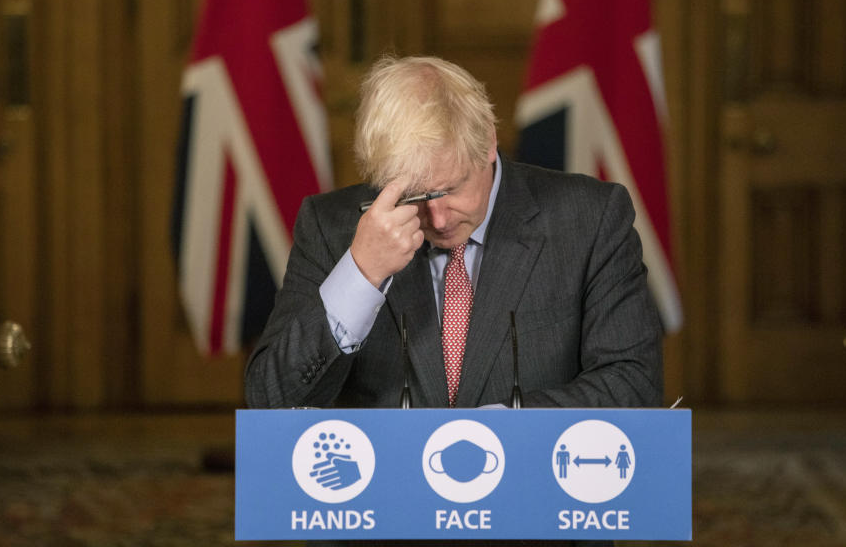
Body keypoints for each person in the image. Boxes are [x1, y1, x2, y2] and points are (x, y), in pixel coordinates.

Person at [245, 55, 663, 410]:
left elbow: (633, 383)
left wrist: (500, 431)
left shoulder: (589, 218)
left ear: (488, 144)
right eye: (413, 195)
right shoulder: (332, 225)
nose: (438, 219)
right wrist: (360, 273)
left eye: (450, 189)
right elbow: (271, 401)